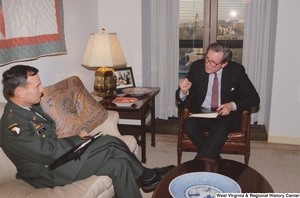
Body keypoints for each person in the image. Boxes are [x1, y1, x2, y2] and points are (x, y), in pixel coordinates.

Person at [0, 65, 174, 198]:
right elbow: (47, 152)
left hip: (58, 160)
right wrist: (77, 139)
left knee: (119, 165)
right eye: (37, 86)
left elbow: (49, 141)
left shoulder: (29, 108)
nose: (42, 89)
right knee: (109, 142)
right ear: (21, 92)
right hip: (47, 172)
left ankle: (147, 177)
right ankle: (148, 175)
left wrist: (77, 142)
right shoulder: (13, 125)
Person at [176, 42, 260, 160]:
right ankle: (218, 162)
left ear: (224, 63)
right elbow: (180, 97)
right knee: (188, 124)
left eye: (214, 63)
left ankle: (195, 166)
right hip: (202, 113)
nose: (208, 65)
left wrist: (232, 105)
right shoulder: (197, 67)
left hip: (225, 116)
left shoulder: (236, 71)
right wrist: (184, 91)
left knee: (221, 129)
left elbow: (254, 98)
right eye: (207, 59)